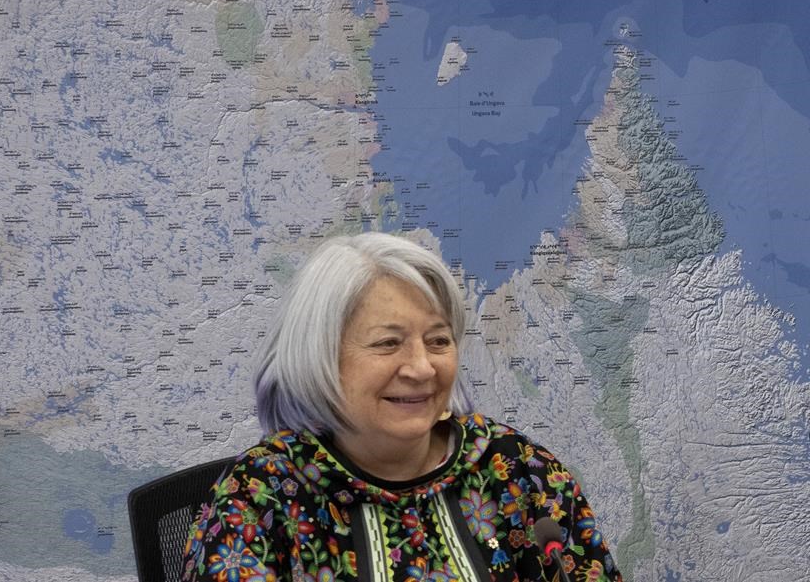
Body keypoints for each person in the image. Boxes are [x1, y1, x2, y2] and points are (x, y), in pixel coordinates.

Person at [182, 232, 622, 582]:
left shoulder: (515, 466)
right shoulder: (263, 495)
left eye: (438, 341)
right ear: (321, 358)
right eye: (388, 343)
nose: (421, 367)